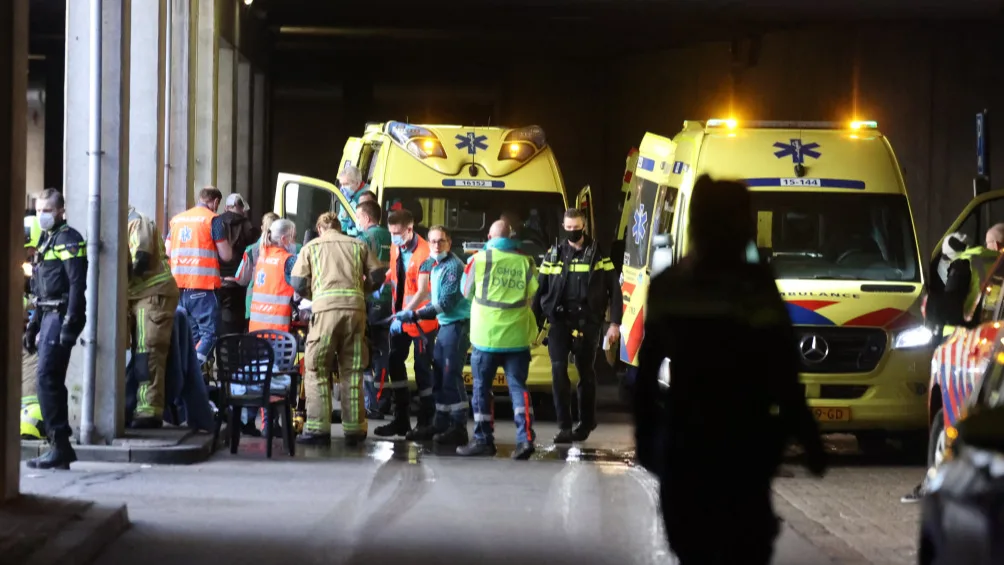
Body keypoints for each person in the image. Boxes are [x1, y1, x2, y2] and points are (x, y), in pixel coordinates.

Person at [634, 175, 826, 565]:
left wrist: (648, 438)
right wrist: (808, 438)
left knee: (694, 551)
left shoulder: (671, 285)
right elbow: (784, 373)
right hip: (744, 447)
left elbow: (646, 375)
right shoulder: (755, 287)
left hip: (688, 446)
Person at [900, 226, 1004, 503]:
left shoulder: (969, 261)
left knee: (949, 419)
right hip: (981, 343)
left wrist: (928, 304)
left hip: (965, 345)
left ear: (993, 243)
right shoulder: (990, 265)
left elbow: (949, 307)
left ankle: (939, 483)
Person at [291, 212, 385, 446]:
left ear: (320, 229)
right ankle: (354, 430)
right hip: (356, 312)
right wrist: (363, 291)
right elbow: (378, 273)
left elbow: (298, 283)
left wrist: (315, 296)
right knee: (353, 370)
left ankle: (318, 430)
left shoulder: (312, 247)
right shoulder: (358, 245)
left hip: (325, 313)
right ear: (339, 228)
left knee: (316, 368)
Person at [533, 208, 622, 443]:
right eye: (568, 228)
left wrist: (614, 324)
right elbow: (539, 290)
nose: (573, 232)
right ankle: (564, 426)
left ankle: (585, 422)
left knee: (586, 374)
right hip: (559, 321)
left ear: (584, 226)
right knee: (558, 371)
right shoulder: (554, 254)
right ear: (564, 227)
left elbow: (615, 289)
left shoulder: (598, 256)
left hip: (587, 323)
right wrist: (534, 324)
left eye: (577, 228)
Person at [457, 219, 540, 460]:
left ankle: (484, 440)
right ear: (510, 236)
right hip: (516, 337)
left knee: (481, 389)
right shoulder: (526, 261)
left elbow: (465, 291)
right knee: (518, 388)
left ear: (489, 236)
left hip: (486, 337)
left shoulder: (478, 260)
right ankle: (525, 439)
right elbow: (533, 294)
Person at [23, 189, 88, 470]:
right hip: (47, 315)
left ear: (61, 211)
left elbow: (76, 284)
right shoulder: (46, 240)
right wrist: (32, 325)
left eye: (47, 210)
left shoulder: (69, 239)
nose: (42, 215)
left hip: (61, 315)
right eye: (38, 211)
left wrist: (71, 322)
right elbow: (40, 290)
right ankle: (60, 446)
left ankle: (59, 445)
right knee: (51, 380)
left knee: (47, 378)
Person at [394, 225, 472, 445]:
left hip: (456, 326)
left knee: (450, 376)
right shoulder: (435, 263)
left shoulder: (453, 267)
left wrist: (414, 314)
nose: (436, 245)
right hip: (445, 327)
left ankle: (458, 427)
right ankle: (440, 422)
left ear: (449, 242)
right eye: (433, 241)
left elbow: (446, 303)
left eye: (441, 241)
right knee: (439, 375)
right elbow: (419, 277)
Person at [373, 209, 439, 438]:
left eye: (397, 233)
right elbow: (398, 268)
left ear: (410, 229)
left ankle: (426, 423)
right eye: (391, 233)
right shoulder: (396, 246)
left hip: (421, 322)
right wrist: (386, 278)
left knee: (423, 371)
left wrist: (404, 313)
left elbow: (421, 291)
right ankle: (401, 420)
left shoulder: (424, 254)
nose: (393, 237)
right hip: (400, 321)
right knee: (394, 364)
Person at [165, 187, 233, 373]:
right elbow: (226, 255)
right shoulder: (212, 220)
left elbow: (167, 251)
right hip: (202, 289)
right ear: (215, 202)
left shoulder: (177, 220)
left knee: (193, 338)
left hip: (178, 289)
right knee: (210, 335)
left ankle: (192, 381)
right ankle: (190, 372)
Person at [127, 206, 181, 428]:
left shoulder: (137, 223)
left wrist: (119, 280)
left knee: (147, 352)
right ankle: (135, 406)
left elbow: (141, 258)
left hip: (153, 294)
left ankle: (149, 411)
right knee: (139, 352)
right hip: (139, 295)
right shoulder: (125, 224)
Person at [354, 200, 394, 420]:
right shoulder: (391, 237)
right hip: (391, 300)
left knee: (370, 353)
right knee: (384, 352)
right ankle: (382, 401)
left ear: (367, 218)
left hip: (372, 298)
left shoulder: (363, 239)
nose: (358, 222)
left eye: (359, 217)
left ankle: (374, 404)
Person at [217, 193, 258, 336]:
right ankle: (233, 355)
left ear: (227, 207)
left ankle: (219, 355)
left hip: (216, 281)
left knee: (217, 324)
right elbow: (253, 254)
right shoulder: (248, 226)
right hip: (238, 282)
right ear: (241, 207)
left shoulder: (216, 222)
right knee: (236, 326)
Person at [336, 165, 370, 237]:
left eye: (346, 184)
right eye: (341, 184)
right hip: (349, 235)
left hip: (362, 236)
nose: (342, 188)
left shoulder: (368, 194)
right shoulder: (348, 196)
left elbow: (362, 220)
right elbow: (342, 221)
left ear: (357, 183)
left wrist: (350, 202)